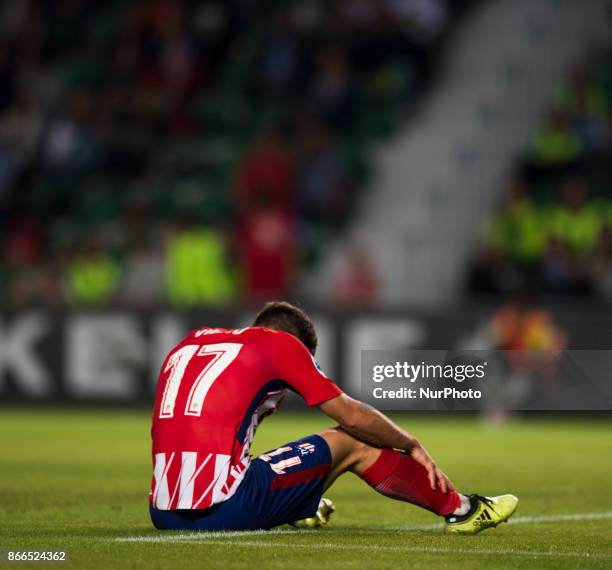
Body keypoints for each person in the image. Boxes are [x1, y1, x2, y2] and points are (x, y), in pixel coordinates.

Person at [149, 301, 517, 534]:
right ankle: (463, 509)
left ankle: (300, 507)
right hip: (222, 509)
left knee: (262, 459)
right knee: (351, 440)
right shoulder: (281, 346)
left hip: (162, 512)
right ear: (299, 346)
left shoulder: (191, 341)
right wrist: (410, 443)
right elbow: (353, 417)